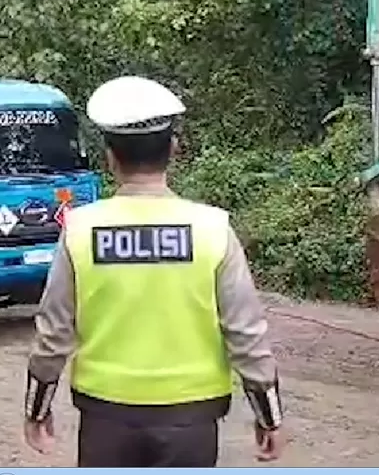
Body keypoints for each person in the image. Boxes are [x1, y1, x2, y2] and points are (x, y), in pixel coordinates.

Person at [22, 76, 284, 467]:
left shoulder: (80, 230)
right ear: (174, 150)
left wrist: (37, 407)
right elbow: (245, 331)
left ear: (110, 156)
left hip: (106, 415)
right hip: (192, 417)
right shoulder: (212, 228)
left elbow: (54, 329)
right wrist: (269, 416)